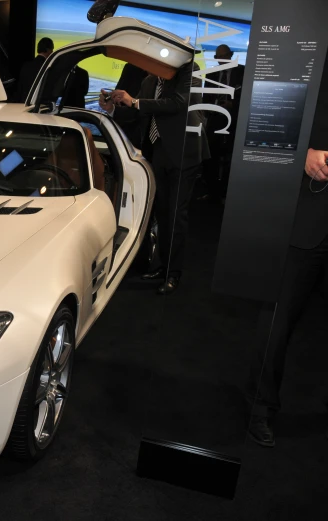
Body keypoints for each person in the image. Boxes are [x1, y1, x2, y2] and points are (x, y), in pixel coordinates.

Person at [246, 58, 328, 447]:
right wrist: (305, 153)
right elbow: (266, 118)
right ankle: (260, 407)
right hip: (307, 216)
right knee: (276, 323)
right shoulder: (308, 57)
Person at [100, 61, 209, 294]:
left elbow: (177, 103)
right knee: (161, 214)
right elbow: (136, 113)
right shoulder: (149, 81)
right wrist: (114, 108)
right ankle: (162, 266)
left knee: (176, 215)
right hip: (157, 152)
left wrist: (135, 101)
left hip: (184, 154)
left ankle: (173, 273)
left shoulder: (189, 71)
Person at [200, 44, 245, 203]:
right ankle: (212, 191)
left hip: (235, 120)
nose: (220, 60)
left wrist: (233, 105)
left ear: (231, 55)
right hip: (214, 119)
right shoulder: (212, 74)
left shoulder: (243, 72)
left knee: (230, 157)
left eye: (223, 56)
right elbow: (205, 97)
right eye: (217, 57)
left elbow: (248, 96)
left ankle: (225, 194)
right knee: (209, 155)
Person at [16, 37, 54, 103]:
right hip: (39, 105)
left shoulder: (26, 65)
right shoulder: (48, 67)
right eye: (52, 49)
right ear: (48, 50)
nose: (52, 52)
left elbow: (20, 89)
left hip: (23, 104)